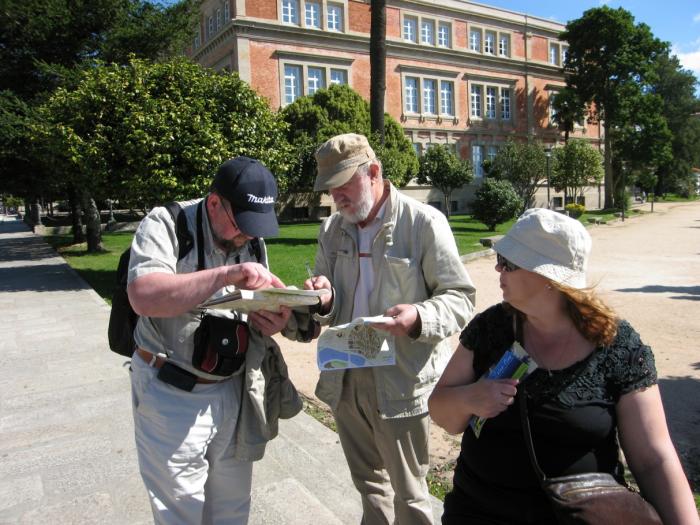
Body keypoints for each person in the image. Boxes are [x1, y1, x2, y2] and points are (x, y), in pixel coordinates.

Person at [428, 208, 699, 525]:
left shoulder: (617, 346)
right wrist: (470, 398)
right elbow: (442, 414)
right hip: (478, 511)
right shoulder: (491, 328)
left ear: (549, 278)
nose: (497, 267)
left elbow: (653, 459)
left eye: (509, 262)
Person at [303, 133, 476, 524]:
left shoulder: (423, 222)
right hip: (346, 378)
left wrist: (418, 317)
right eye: (330, 188)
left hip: (400, 380)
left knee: (411, 495)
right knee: (369, 487)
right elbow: (327, 303)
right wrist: (323, 298)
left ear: (374, 172)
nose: (336, 196)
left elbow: (461, 297)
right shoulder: (332, 230)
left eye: (343, 184)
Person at [127, 156, 302, 524]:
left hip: (232, 389)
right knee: (180, 513)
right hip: (171, 391)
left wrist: (271, 319)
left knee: (232, 510)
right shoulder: (167, 223)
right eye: (242, 224)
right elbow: (143, 295)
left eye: (256, 227)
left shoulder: (251, 239)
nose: (247, 236)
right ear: (213, 204)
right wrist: (225, 275)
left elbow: (252, 306)